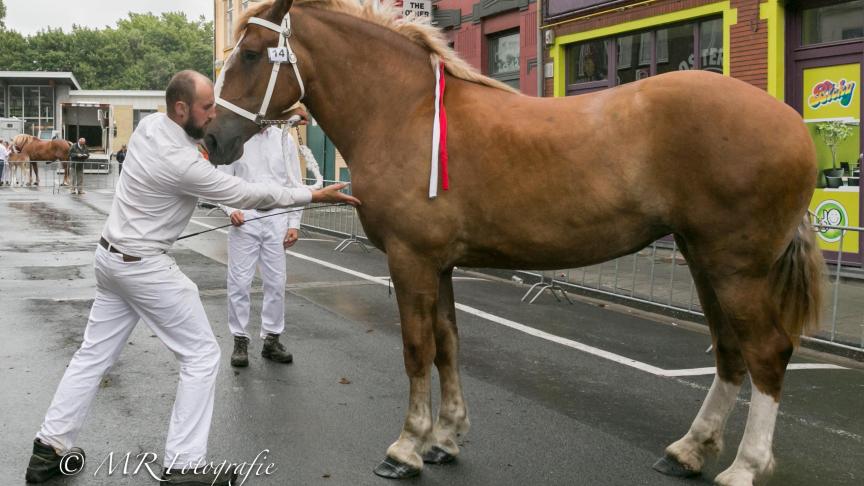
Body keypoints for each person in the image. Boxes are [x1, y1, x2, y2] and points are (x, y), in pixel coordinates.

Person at [24, 70, 360, 485]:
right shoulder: (181, 162)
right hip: (145, 266)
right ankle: (183, 464)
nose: (214, 114)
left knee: (91, 357)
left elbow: (214, 139)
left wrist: (270, 119)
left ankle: (47, 451)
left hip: (111, 260)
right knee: (202, 356)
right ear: (181, 109)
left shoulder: (151, 127)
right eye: (207, 107)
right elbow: (247, 195)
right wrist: (313, 194)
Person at [218, 115, 308, 368]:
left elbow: (294, 183)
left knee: (276, 282)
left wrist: (293, 223)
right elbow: (222, 180)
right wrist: (228, 209)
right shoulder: (237, 139)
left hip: (277, 219)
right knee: (239, 282)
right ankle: (240, 339)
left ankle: (271, 339)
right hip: (245, 218)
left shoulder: (284, 140)